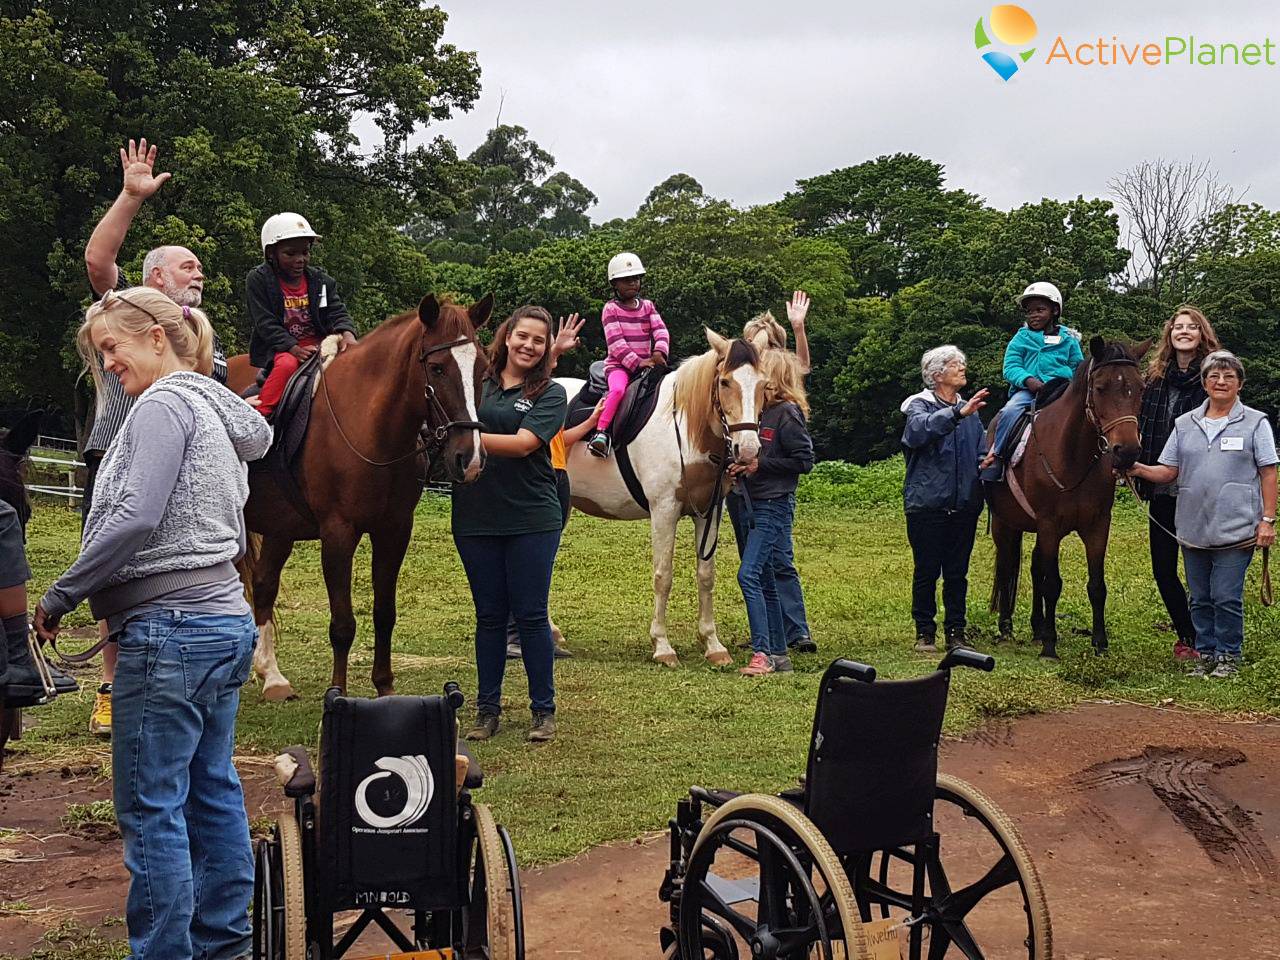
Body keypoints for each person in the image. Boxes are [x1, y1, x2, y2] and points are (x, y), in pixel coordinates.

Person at [33, 287, 271, 960]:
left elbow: (135, 516)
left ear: (158, 339)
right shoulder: (209, 408)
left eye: (114, 347)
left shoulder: (163, 406)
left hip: (172, 633)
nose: (109, 363)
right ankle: (225, 946)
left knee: (151, 807)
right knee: (212, 790)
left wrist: (60, 595)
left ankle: (166, 953)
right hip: (223, 622)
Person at [82, 137, 229, 737]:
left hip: (184, 473)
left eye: (198, 266)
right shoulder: (127, 311)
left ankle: (177, 676)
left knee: (171, 570)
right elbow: (97, 261)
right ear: (155, 275)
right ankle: (112, 688)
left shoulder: (200, 338)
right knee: (113, 565)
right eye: (187, 265)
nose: (199, 273)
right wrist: (129, 197)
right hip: (119, 458)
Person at [453, 306, 567, 742]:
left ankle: (543, 711)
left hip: (531, 518)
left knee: (532, 613)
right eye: (523, 336)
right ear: (507, 336)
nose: (529, 346)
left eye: (539, 340)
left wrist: (464, 438)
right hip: (475, 518)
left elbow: (523, 444)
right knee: (489, 617)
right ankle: (487, 711)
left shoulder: (550, 393)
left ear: (545, 348)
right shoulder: (476, 384)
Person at [1127, 350, 1277, 679]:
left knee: (1225, 596)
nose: (1221, 382)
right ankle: (1205, 653)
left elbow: (1268, 472)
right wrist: (1136, 468)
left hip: (1237, 528)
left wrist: (1267, 520)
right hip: (1193, 526)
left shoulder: (1255, 423)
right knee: (1200, 597)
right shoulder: (1185, 424)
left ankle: (1228, 656)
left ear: (1240, 384)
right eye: (1214, 377)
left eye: (1228, 377)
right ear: (1205, 383)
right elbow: (1168, 472)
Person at [505, 314, 602, 660]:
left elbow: (559, 438)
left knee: (540, 559)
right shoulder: (524, 393)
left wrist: (590, 423)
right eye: (524, 338)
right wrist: (556, 350)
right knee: (528, 558)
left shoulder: (546, 401)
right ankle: (515, 634)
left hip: (558, 477)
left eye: (540, 342)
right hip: (544, 477)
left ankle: (532, 630)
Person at [729, 294, 819, 654]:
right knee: (754, 560)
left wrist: (798, 327)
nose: (755, 348)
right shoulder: (743, 385)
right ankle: (769, 632)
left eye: (762, 342)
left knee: (777, 558)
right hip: (745, 493)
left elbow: (801, 367)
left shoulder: (783, 403)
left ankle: (794, 631)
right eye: (752, 341)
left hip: (772, 493)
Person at [1135, 307, 1222, 661]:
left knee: (1204, 569)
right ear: (1169, 334)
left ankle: (1212, 639)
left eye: (1191, 327)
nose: (1184, 332)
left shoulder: (1215, 378)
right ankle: (1188, 635)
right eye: (1177, 327)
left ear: (1202, 334)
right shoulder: (1154, 379)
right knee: (1163, 568)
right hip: (1162, 487)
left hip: (1200, 489)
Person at [901, 346, 989, 652]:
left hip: (964, 504)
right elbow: (917, 433)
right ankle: (925, 632)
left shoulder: (970, 411)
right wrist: (956, 413)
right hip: (927, 504)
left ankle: (956, 632)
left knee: (957, 573)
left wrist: (985, 462)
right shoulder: (919, 406)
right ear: (937, 374)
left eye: (963, 364)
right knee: (926, 570)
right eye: (956, 365)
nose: (963, 368)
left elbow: (978, 449)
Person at [246, 212, 358, 418]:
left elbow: (336, 310)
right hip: (284, 347)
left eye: (305, 253)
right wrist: (293, 348)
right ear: (271, 253)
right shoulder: (259, 279)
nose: (300, 260)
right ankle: (261, 418)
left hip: (321, 343)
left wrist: (348, 335)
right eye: (290, 254)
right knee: (286, 365)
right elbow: (265, 323)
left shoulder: (321, 280)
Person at [981, 281, 1083, 475]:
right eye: (1029, 311)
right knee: (1009, 411)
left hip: (1062, 390)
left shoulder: (1069, 339)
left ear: (1054, 310)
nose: (1034, 315)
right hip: (1028, 392)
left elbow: (1077, 366)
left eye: (1040, 310)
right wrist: (1029, 380)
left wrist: (1066, 382)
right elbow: (1010, 367)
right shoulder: (1021, 338)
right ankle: (998, 458)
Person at [585, 252, 669, 458]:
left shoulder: (648, 306)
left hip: (648, 363)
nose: (633, 283)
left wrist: (659, 351)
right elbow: (616, 344)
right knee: (618, 391)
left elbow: (661, 329)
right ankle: (601, 433)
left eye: (636, 278)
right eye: (626, 280)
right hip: (620, 366)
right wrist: (639, 362)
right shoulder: (610, 309)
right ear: (615, 283)